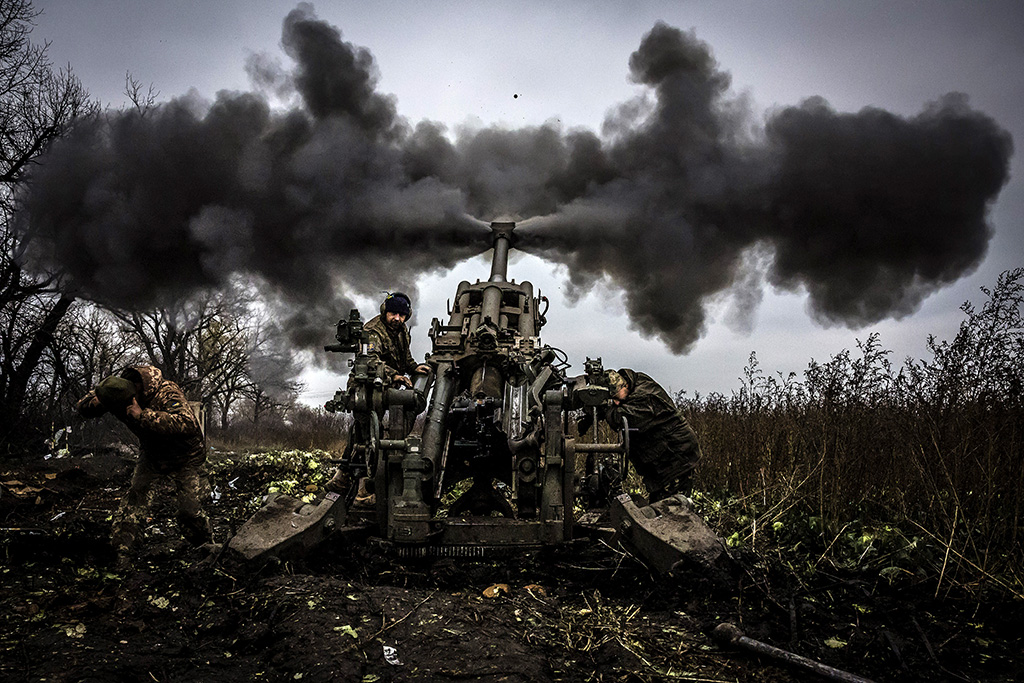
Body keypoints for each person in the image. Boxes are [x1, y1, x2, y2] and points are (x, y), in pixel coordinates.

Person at [77, 366, 211, 566]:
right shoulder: (114, 390)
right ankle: (122, 552)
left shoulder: (166, 391)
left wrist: (143, 416)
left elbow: (187, 424)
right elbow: (82, 406)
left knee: (188, 510)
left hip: (185, 457)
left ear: (136, 393)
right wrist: (95, 404)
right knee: (135, 499)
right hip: (152, 454)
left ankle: (208, 550)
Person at [327, 292, 430, 502]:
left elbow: (405, 357)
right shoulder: (373, 332)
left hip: (386, 387)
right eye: (393, 313)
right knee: (367, 437)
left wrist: (413, 367)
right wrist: (396, 375)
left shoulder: (402, 331)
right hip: (366, 387)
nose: (397, 319)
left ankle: (343, 478)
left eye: (401, 315)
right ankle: (363, 489)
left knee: (372, 436)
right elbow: (371, 361)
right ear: (385, 311)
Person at [599, 368, 702, 503]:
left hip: (676, 458)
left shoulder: (644, 397)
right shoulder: (635, 381)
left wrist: (605, 410)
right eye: (612, 400)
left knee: (672, 508)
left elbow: (620, 419)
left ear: (626, 385)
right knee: (660, 507)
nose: (616, 403)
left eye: (617, 397)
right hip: (663, 458)